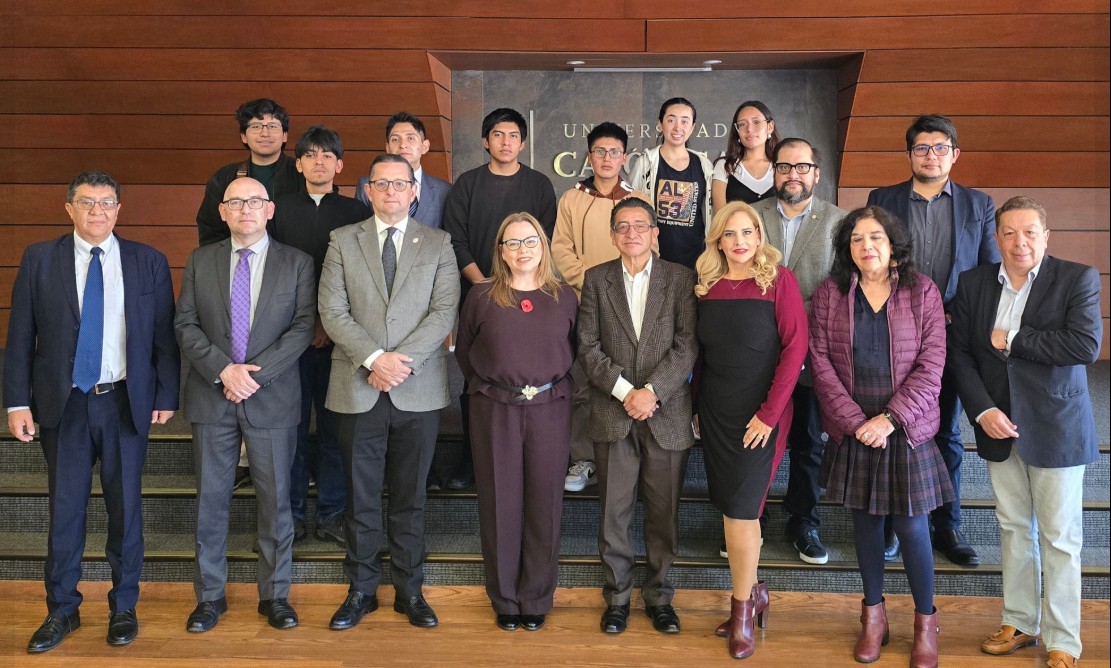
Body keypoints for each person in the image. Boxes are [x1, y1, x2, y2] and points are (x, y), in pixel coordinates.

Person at [5, 171, 179, 653]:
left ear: (119, 210)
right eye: (87, 203)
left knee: (126, 510)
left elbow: (164, 336)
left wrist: (166, 395)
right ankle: (62, 610)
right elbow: (21, 336)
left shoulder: (148, 262)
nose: (97, 211)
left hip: (125, 401)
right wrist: (17, 401)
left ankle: (123, 606)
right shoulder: (41, 259)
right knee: (65, 511)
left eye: (106, 203)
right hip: (65, 405)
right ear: (69, 208)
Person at [949, 196, 1101, 668]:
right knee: (1014, 529)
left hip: (1056, 425)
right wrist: (982, 410)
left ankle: (1063, 640)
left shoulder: (1076, 278)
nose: (1020, 243)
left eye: (1030, 233)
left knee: (1059, 537)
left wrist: (1013, 338)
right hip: (998, 423)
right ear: (996, 238)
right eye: (1009, 233)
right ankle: (1019, 620)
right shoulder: (974, 284)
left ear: (1046, 236)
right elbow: (960, 355)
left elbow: (1085, 343)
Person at [319, 153, 459, 631]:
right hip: (359, 387)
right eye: (383, 184)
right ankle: (360, 590)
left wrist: (400, 363)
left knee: (410, 496)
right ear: (367, 191)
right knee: (360, 497)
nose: (393, 192)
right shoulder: (342, 240)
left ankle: (410, 591)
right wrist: (375, 360)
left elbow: (443, 312)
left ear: (414, 191)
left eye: (401, 184)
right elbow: (333, 311)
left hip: (417, 390)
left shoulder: (439, 243)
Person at [809, 206, 952, 668]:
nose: (865, 246)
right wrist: (855, 422)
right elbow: (821, 362)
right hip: (854, 429)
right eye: (855, 239)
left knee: (911, 526)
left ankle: (925, 623)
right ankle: (873, 618)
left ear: (893, 245)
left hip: (905, 428)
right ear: (846, 248)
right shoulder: (831, 293)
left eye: (875, 237)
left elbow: (932, 366)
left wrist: (889, 419)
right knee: (865, 526)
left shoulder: (921, 290)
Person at [176, 177, 316, 633]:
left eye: (254, 202)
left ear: (269, 209)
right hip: (211, 396)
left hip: (271, 397)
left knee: (275, 502)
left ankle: (275, 595)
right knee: (209, 502)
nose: (245, 210)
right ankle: (209, 597)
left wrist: (253, 374)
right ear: (223, 211)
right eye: (236, 203)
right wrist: (224, 370)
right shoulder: (201, 260)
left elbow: (301, 328)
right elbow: (186, 324)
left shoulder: (296, 263)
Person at [867, 114, 999, 566]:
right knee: (891, 423)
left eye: (940, 147)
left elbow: (988, 273)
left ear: (955, 154)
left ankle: (947, 524)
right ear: (909, 155)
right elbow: (871, 262)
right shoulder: (882, 199)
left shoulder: (979, 205)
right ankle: (888, 524)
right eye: (922, 148)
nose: (931, 155)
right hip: (892, 333)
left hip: (953, 333)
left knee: (945, 431)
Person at [578, 197, 698, 635]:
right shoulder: (596, 280)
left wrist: (652, 391)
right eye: (623, 226)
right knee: (615, 511)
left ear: (655, 233)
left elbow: (687, 344)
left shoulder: (680, 278)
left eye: (640, 226)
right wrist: (628, 392)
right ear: (612, 235)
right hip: (614, 411)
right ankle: (617, 599)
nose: (632, 233)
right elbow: (587, 347)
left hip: (666, 413)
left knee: (663, 513)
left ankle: (660, 598)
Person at [694, 201, 806, 658]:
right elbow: (701, 357)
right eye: (730, 233)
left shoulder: (779, 281)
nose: (740, 241)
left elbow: (796, 348)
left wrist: (770, 413)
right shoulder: (706, 285)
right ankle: (754, 593)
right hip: (716, 411)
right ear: (718, 239)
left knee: (741, 510)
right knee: (736, 510)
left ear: (760, 237)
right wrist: (697, 407)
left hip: (762, 413)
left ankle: (741, 609)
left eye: (748, 232)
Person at [455, 212, 578, 632]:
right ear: (501, 252)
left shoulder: (563, 295)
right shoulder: (482, 295)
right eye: (513, 243)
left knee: (545, 502)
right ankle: (505, 598)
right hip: (495, 409)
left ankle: (537, 597)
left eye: (530, 241)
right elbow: (465, 350)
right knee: (498, 502)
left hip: (549, 408)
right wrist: (491, 389)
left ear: (542, 246)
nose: (522, 250)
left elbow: (577, 350)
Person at [442, 107, 557, 490]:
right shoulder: (468, 184)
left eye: (512, 136)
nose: (505, 142)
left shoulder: (539, 184)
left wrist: (521, 282)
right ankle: (472, 462)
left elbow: (546, 242)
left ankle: (528, 461)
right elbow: (455, 239)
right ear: (484, 141)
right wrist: (485, 287)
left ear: (523, 143)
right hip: (480, 294)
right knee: (477, 375)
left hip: (532, 296)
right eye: (497, 135)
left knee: (525, 376)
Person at [269, 125, 371, 546]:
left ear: (340, 164)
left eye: (327, 155)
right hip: (285, 340)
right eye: (310, 155)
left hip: (340, 341)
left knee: (336, 428)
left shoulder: (355, 213)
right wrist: (303, 327)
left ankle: (332, 511)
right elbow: (271, 276)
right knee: (288, 427)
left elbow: (359, 281)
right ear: (299, 164)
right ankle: (289, 514)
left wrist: (329, 327)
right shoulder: (277, 210)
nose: (319, 162)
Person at [752, 138, 848, 565]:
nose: (793, 174)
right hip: (756, 346)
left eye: (802, 167)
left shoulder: (839, 222)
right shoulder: (749, 216)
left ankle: (803, 519)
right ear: (774, 171)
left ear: (816, 172)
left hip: (814, 348)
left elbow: (844, 288)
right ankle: (750, 514)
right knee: (756, 435)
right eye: (785, 166)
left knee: (809, 440)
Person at [551, 121, 652, 493]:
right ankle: (583, 459)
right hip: (582, 303)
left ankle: (634, 457)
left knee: (628, 380)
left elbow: (648, 250)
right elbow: (560, 249)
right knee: (582, 383)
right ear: (589, 156)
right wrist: (591, 284)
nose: (607, 159)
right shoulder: (572, 198)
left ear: (624, 157)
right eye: (599, 152)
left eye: (614, 152)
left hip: (630, 306)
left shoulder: (637, 200)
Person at [196, 98, 304, 247]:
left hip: (291, 264)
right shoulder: (224, 178)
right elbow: (211, 230)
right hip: (239, 263)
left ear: (285, 135)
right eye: (256, 126)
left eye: (272, 126)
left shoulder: (303, 174)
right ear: (244, 136)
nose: (264, 133)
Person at [628, 97, 715, 271]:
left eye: (685, 121)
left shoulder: (703, 165)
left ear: (692, 127)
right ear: (660, 124)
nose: (678, 127)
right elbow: (631, 209)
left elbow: (709, 214)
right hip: (653, 261)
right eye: (671, 120)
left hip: (695, 263)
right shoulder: (646, 163)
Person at [356, 111, 451, 230]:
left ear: (425, 146)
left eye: (410, 138)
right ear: (387, 147)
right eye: (395, 140)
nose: (402, 145)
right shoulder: (368, 183)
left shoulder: (444, 190)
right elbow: (360, 233)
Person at [710, 101, 780, 210]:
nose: (749, 129)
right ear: (737, 130)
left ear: (770, 126)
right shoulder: (725, 166)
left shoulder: (783, 167)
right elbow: (720, 218)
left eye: (756, 122)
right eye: (742, 124)